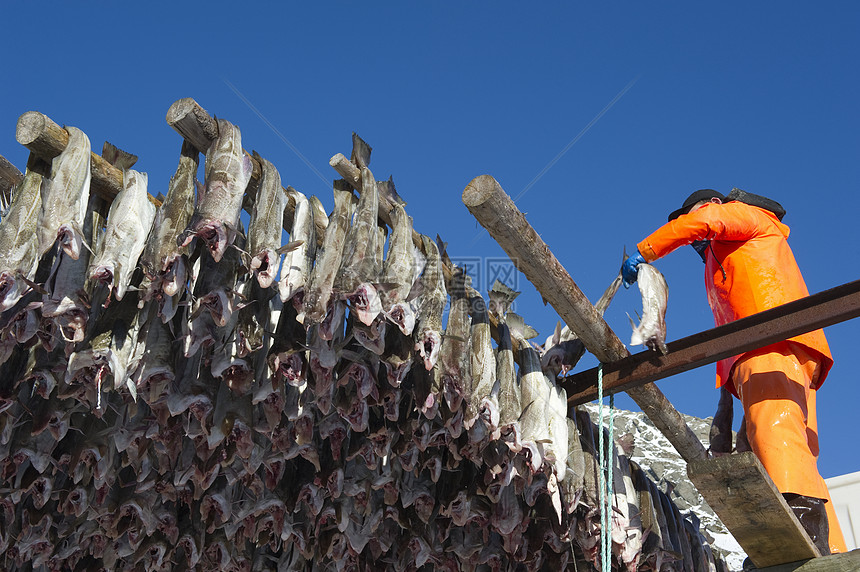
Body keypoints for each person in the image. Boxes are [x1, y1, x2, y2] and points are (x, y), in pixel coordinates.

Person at [621, 189, 847, 555]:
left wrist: (645, 251)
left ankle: (801, 540)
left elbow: (705, 220)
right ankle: (830, 549)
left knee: (777, 438)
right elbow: (732, 331)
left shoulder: (744, 217)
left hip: (773, 344)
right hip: (765, 355)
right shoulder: (724, 261)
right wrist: (724, 406)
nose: (688, 229)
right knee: (786, 446)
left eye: (688, 217)